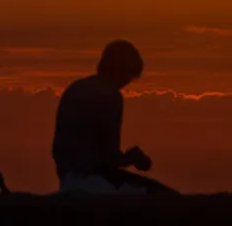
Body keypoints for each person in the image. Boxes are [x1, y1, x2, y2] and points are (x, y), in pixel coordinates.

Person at [51, 40, 176, 194]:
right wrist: (132, 158)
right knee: (165, 195)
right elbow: (108, 160)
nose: (127, 83)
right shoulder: (111, 96)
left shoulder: (75, 88)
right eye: (129, 76)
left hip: (68, 179)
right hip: (96, 183)